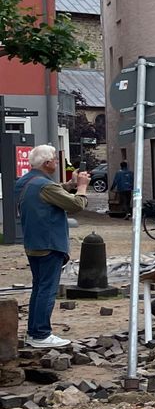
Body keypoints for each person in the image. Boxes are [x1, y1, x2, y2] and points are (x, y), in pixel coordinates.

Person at [16, 145, 89, 349]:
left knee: (39, 288)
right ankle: (41, 333)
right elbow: (76, 205)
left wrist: (69, 184)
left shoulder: (25, 181)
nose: (56, 164)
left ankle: (34, 332)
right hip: (49, 243)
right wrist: (81, 187)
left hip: (33, 243)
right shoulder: (45, 186)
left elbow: (50, 192)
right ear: (47, 163)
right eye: (55, 161)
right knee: (47, 290)